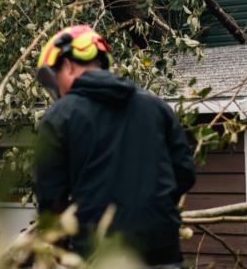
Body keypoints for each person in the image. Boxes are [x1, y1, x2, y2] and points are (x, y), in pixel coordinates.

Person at [34, 25, 195, 267]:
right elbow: (185, 173)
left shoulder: (59, 117)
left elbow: (50, 199)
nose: (56, 89)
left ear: (67, 65)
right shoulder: (156, 107)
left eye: (54, 79)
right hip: (162, 251)